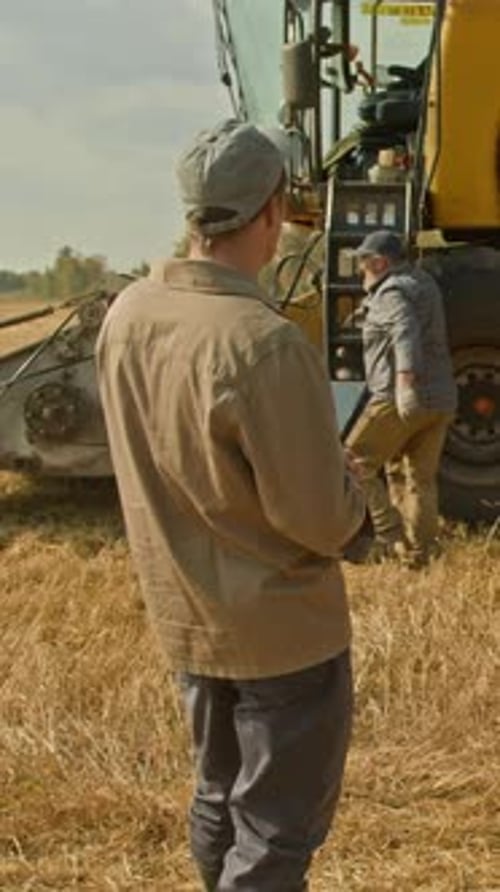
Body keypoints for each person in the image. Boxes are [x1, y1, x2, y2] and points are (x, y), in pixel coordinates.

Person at [96, 119, 366, 892]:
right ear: (275, 213)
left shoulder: (128, 315)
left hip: (184, 612)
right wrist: (351, 498)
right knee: (276, 835)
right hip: (282, 631)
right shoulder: (262, 340)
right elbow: (314, 515)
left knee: (217, 796)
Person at [345, 229, 457, 568]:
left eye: (363, 262)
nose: (360, 269)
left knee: (353, 462)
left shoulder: (390, 292)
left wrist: (404, 382)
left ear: (379, 262)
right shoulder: (422, 282)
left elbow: (405, 329)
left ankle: (389, 535)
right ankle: (421, 555)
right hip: (439, 400)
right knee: (415, 477)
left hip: (398, 398)